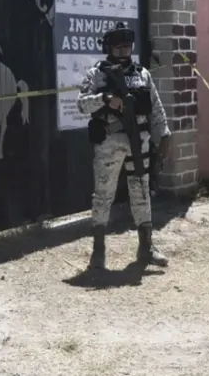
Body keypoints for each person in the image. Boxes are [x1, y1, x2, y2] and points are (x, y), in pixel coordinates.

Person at [76, 21, 172, 270]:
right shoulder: (97, 74)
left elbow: (155, 107)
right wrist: (105, 98)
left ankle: (146, 247)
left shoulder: (142, 74)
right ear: (108, 48)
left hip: (139, 141)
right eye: (118, 48)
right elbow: (82, 104)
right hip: (109, 142)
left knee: (141, 192)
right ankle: (98, 251)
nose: (123, 52)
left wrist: (164, 135)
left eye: (127, 47)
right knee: (103, 195)